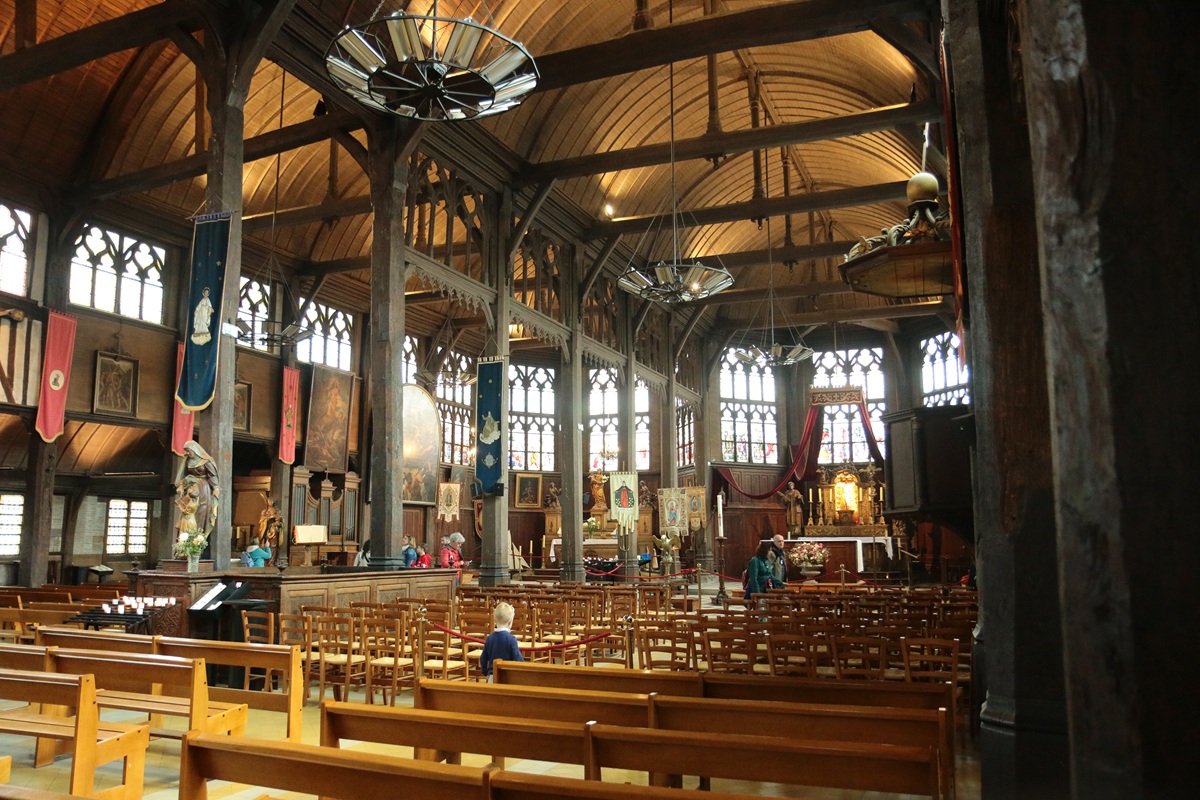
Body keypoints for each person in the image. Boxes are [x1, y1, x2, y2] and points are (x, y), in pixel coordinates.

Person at [478, 601, 523, 681]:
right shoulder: (511, 639)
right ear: (510, 622)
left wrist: (486, 672)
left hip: (492, 676)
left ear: (495, 620)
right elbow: (518, 659)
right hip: (508, 676)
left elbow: (483, 659)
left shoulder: (490, 638)